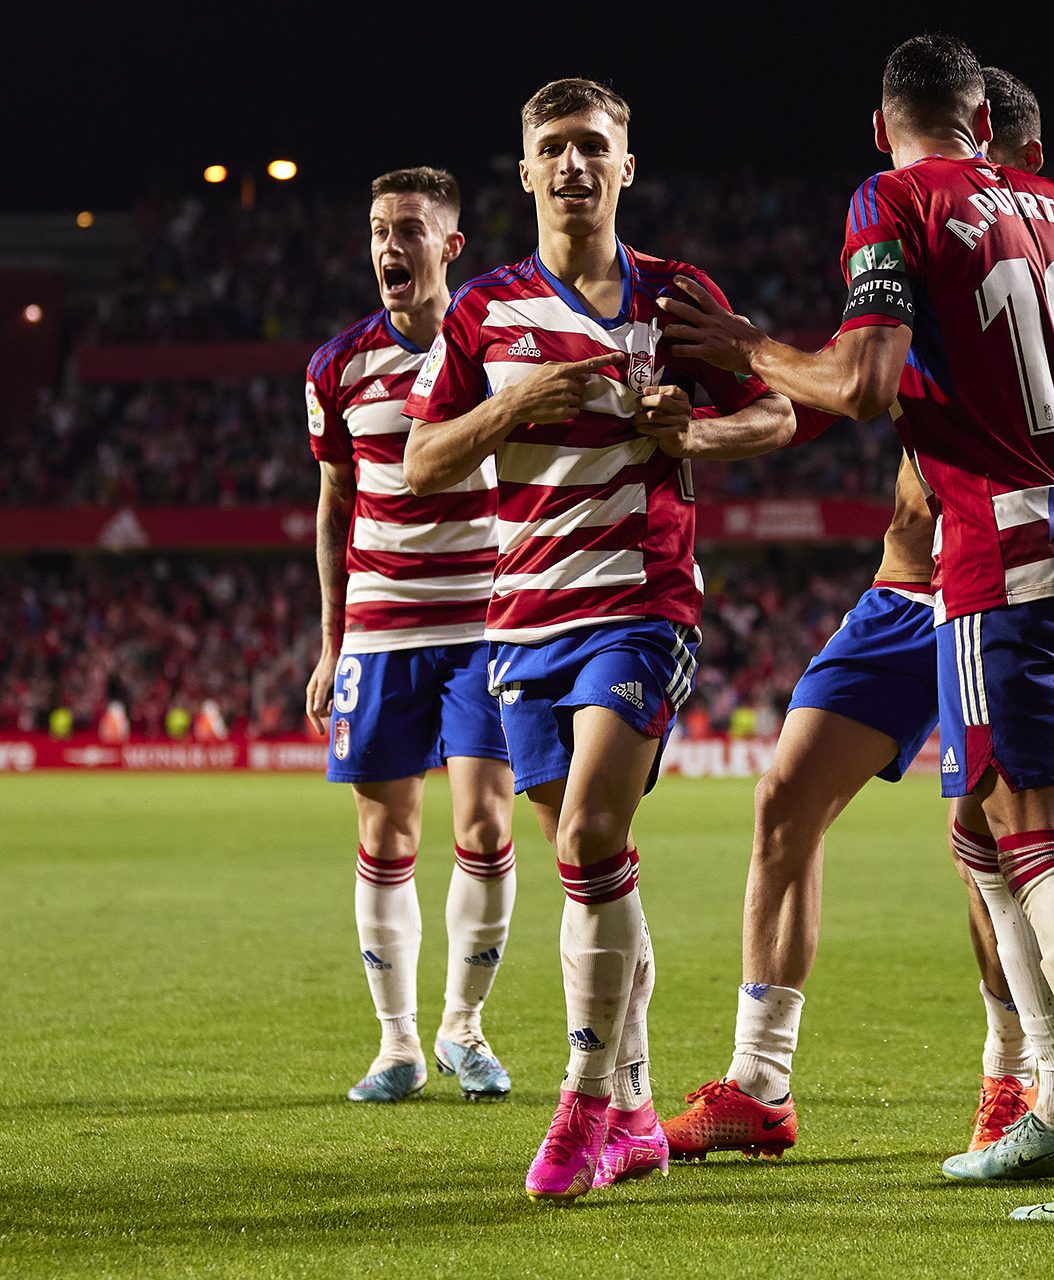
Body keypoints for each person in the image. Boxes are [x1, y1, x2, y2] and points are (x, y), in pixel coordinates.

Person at [663, 64, 1054, 1170]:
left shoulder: (984, 221)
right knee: (788, 795)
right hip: (913, 591)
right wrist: (697, 433)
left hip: (996, 567)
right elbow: (839, 393)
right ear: (990, 135)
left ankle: (1027, 1082)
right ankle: (761, 1081)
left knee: (997, 839)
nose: (1005, 180)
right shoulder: (995, 225)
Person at [403, 78, 794, 1202]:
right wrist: (513, 403)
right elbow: (424, 464)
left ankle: (580, 1110)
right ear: (524, 172)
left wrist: (703, 431)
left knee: (584, 835)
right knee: (594, 875)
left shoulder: (678, 298)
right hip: (525, 617)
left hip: (642, 602)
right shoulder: (484, 313)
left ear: (627, 165)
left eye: (593, 147)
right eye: (552, 150)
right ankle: (633, 1106)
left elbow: (778, 408)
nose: (573, 166)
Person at [302, 167, 517, 1106]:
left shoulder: (498, 346)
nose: (391, 247)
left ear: (449, 246)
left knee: (486, 823)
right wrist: (329, 642)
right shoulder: (337, 367)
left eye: (410, 231)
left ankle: (464, 1027)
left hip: (486, 620)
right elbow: (334, 508)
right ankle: (397, 1046)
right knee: (386, 834)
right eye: (380, 230)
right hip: (383, 631)